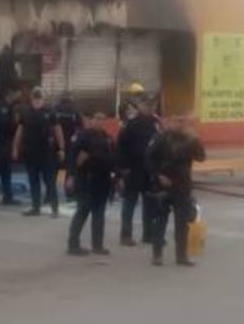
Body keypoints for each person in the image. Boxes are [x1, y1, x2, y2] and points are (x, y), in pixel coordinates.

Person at [146, 114, 206, 267]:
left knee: (182, 223)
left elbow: (201, 157)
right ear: (169, 122)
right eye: (177, 121)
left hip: (182, 185)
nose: (180, 124)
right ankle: (157, 255)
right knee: (160, 222)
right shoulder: (161, 139)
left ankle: (181, 256)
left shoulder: (189, 140)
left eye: (182, 121)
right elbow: (149, 158)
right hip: (164, 186)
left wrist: (196, 139)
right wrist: (158, 175)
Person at [66, 112, 116, 256]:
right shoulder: (82, 136)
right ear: (91, 120)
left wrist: (115, 175)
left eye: (102, 119)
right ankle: (73, 245)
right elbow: (72, 157)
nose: (100, 122)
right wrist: (71, 176)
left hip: (103, 180)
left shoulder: (107, 137)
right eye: (97, 119)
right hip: (86, 179)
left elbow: (112, 157)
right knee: (82, 212)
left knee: (99, 215)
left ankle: (97, 245)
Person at [13, 88, 65, 217]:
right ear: (31, 98)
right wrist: (15, 147)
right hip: (30, 152)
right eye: (35, 97)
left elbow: (58, 131)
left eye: (39, 97)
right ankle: (36, 207)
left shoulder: (50, 113)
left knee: (50, 181)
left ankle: (55, 209)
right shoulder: (25, 112)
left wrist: (61, 148)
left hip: (47, 153)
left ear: (43, 98)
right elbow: (19, 131)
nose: (37, 100)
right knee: (33, 181)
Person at [117, 96, 161, 246]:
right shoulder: (131, 125)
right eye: (146, 105)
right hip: (133, 169)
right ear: (140, 107)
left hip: (150, 171)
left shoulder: (156, 124)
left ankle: (148, 234)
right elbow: (121, 148)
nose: (149, 108)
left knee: (150, 203)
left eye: (151, 105)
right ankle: (126, 235)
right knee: (129, 203)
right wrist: (123, 170)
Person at [53, 92, 84, 202]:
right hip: (71, 144)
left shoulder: (54, 110)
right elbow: (80, 129)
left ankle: (50, 194)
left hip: (56, 144)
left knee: (53, 170)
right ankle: (70, 194)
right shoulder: (75, 111)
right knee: (70, 170)